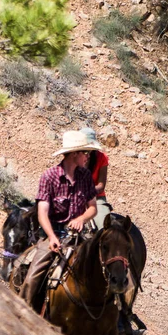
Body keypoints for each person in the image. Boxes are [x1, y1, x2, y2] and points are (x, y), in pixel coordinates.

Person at [19, 130, 98, 310]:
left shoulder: (85, 176)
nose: (88, 156)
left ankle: (120, 318)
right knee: (33, 277)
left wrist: (81, 218)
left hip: (80, 237)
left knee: (107, 267)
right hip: (53, 236)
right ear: (74, 154)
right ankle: (23, 313)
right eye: (85, 153)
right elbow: (42, 214)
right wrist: (52, 237)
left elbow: (93, 208)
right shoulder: (49, 177)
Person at [81, 127, 110, 230]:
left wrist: (88, 192)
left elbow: (101, 185)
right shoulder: (73, 157)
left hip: (96, 198)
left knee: (104, 226)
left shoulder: (101, 158)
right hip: (75, 198)